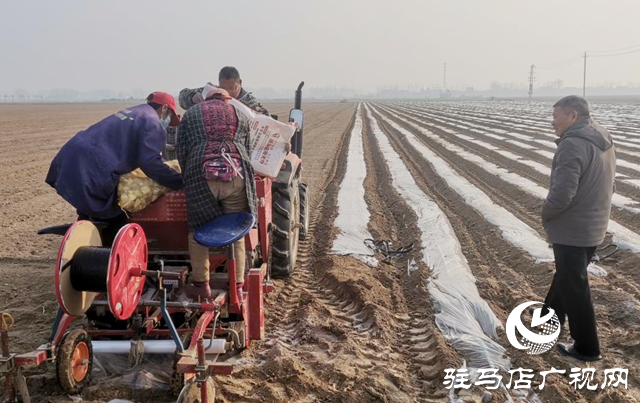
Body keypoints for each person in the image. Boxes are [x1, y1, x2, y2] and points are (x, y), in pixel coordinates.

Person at [46, 92, 184, 245]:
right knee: (115, 218)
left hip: (70, 156)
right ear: (165, 108)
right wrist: (178, 182)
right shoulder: (152, 122)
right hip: (92, 166)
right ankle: (106, 256)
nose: (168, 121)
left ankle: (83, 243)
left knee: (91, 211)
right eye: (170, 115)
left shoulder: (135, 112)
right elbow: (150, 163)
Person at [541, 95, 615, 361]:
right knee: (567, 276)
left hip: (573, 228)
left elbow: (562, 194)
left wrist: (546, 213)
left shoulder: (573, 144)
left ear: (572, 116)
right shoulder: (601, 136)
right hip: (594, 223)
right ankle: (548, 322)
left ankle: (587, 347)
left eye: (556, 116)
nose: (553, 123)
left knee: (575, 286)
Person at [177, 87, 257, 299]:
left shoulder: (191, 114)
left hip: (201, 175)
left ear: (205, 99)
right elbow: (247, 148)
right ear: (227, 99)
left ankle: (201, 284)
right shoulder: (239, 114)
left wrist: (187, 176)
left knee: (197, 231)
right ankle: (238, 285)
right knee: (237, 231)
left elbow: (181, 150)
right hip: (236, 175)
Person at [179, 66, 269, 115]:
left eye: (232, 88)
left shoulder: (251, 103)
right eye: (224, 88)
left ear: (240, 83)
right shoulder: (213, 93)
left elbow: (268, 123)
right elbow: (182, 97)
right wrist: (192, 97)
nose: (228, 93)